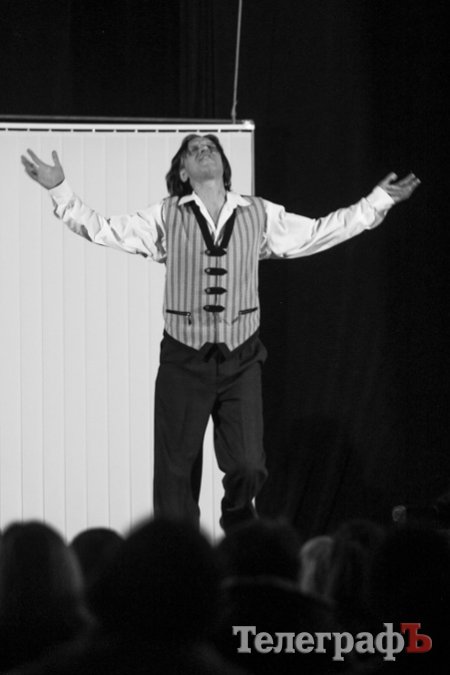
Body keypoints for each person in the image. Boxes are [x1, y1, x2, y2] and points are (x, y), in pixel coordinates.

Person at [21, 135, 420, 532]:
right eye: (192, 149)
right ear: (183, 172)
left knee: (249, 465)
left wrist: (376, 203)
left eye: (210, 146)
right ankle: (181, 551)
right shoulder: (167, 215)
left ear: (224, 167)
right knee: (175, 476)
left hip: (241, 358)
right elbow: (103, 229)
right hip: (183, 359)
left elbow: (318, 232)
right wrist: (60, 190)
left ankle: (237, 519)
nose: (203, 149)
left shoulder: (257, 213)